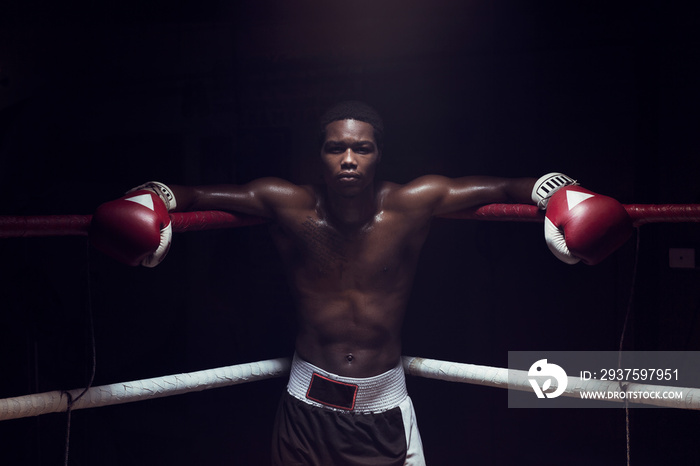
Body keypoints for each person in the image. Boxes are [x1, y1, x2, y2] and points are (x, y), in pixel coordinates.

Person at [90, 101, 632, 465]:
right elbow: (194, 196)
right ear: (318, 156)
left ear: (378, 154)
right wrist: (149, 198)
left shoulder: (412, 202)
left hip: (382, 411)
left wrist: (561, 195)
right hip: (303, 406)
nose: (349, 159)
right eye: (335, 148)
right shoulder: (287, 203)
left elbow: (510, 185)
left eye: (363, 148)